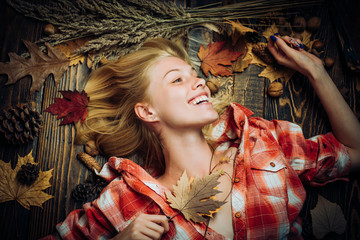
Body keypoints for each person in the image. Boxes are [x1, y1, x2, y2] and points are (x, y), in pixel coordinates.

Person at [42, 35, 360, 240]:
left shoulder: (259, 140)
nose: (200, 83)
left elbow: (355, 151)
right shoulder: (127, 202)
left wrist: (316, 72)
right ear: (148, 111)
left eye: (196, 76)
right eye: (178, 79)